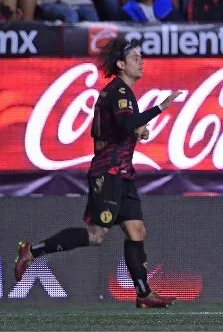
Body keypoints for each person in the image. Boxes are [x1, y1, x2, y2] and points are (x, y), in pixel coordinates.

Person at [14, 36, 183, 308]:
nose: (141, 62)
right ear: (120, 64)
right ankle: (32, 251)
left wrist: (136, 131)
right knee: (96, 235)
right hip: (109, 171)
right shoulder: (119, 91)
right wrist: (160, 108)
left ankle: (144, 294)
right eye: (135, 58)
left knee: (136, 230)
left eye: (141, 57)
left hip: (123, 172)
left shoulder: (121, 93)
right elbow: (126, 122)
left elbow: (116, 127)